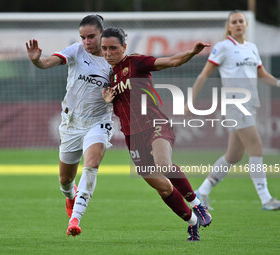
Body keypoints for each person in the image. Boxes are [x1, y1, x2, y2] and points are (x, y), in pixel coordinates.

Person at [101, 27, 212, 241]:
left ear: (124, 47)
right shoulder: (108, 77)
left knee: (163, 164)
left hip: (155, 124)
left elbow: (170, 61)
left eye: (113, 48)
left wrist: (191, 52)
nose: (108, 53)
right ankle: (192, 221)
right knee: (162, 187)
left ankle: (197, 205)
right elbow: (111, 105)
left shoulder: (136, 63)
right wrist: (107, 101)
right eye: (104, 49)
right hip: (132, 136)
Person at [26, 15, 114, 236]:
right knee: (65, 180)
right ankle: (70, 196)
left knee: (92, 163)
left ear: (102, 33)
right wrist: (37, 60)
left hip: (99, 121)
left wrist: (112, 99)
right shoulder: (76, 50)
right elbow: (46, 63)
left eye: (91, 36)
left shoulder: (114, 61)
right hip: (72, 123)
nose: (86, 41)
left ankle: (75, 219)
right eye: (83, 37)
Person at [185, 10, 280, 211]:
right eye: (234, 22)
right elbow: (204, 75)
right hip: (236, 104)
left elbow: (263, 74)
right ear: (228, 26)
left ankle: (201, 192)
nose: (238, 24)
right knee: (256, 148)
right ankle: (266, 199)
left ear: (246, 25)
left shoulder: (251, 48)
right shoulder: (223, 47)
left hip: (250, 104)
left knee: (234, 155)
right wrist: (190, 101)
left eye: (241, 21)